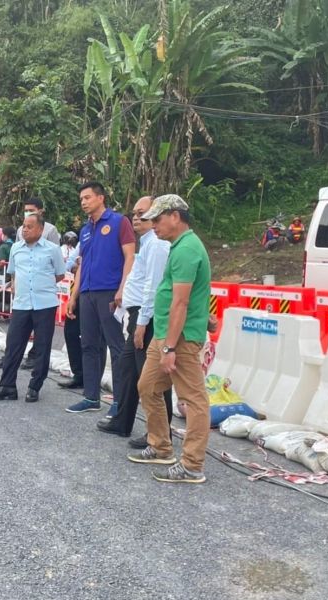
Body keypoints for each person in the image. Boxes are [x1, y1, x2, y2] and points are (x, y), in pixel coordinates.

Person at [127, 194, 212, 484]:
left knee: (194, 399)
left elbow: (181, 303)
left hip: (181, 338)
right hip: (165, 333)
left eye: (158, 219)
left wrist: (170, 347)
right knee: (148, 386)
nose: (153, 225)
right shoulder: (177, 247)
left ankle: (192, 464)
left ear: (175, 216)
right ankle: (162, 446)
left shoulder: (187, 249)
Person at [96, 196, 172, 439]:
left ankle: (160, 433)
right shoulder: (148, 243)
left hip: (147, 317)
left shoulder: (158, 245)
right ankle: (122, 421)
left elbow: (153, 286)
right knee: (127, 369)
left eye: (143, 213)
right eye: (134, 214)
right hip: (137, 314)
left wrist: (141, 324)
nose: (137, 218)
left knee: (152, 378)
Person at [65, 181, 135, 414]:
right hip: (87, 293)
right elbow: (82, 265)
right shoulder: (86, 230)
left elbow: (129, 256)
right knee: (89, 345)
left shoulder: (118, 222)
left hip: (109, 292)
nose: (83, 202)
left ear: (100, 198)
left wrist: (122, 288)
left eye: (87, 197)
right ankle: (91, 397)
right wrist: (74, 295)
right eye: (81, 199)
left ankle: (118, 401)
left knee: (115, 346)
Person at [0, 214, 66, 403]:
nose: (25, 229)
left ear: (40, 229)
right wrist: (17, 285)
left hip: (44, 305)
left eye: (30, 226)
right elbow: (13, 273)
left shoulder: (52, 249)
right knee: (13, 345)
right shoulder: (15, 248)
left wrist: (41, 285)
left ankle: (34, 386)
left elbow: (60, 274)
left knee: (42, 347)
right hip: (21, 304)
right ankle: (7, 386)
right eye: (23, 226)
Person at [58, 244, 83, 389]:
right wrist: (77, 266)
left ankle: (91, 377)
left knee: (94, 339)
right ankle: (79, 374)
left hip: (97, 293)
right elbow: (69, 264)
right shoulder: (86, 235)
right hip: (77, 291)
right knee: (71, 332)